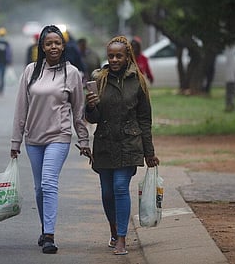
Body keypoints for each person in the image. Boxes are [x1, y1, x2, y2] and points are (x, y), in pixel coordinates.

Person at [10, 24, 92, 254]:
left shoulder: (72, 73)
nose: (53, 46)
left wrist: (83, 140)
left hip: (59, 136)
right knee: (39, 189)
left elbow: (78, 111)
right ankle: (44, 226)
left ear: (63, 46)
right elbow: (21, 108)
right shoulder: (30, 71)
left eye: (57, 43)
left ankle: (49, 235)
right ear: (42, 47)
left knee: (48, 182)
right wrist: (15, 141)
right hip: (33, 139)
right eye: (49, 43)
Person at [85, 35, 160, 255]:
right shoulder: (99, 79)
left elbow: (145, 119)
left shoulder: (138, 80)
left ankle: (122, 239)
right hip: (105, 143)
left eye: (119, 55)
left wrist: (149, 152)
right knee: (107, 193)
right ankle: (113, 229)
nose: (115, 59)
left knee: (119, 187)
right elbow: (93, 118)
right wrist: (90, 107)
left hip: (129, 142)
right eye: (111, 56)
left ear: (128, 56)